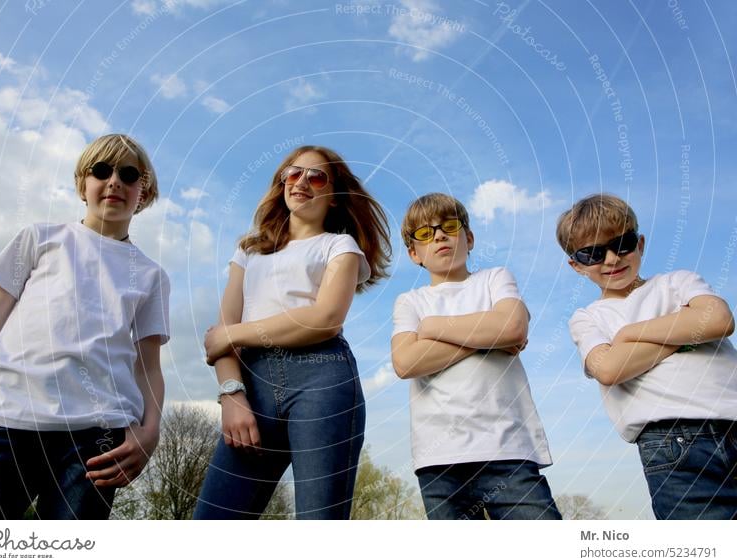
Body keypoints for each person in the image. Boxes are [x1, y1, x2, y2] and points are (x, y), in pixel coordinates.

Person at [0, 134, 170, 519]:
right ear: (83, 184)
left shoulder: (150, 276)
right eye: (101, 170)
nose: (114, 181)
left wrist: (150, 432)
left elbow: (148, 366)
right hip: (2, 423)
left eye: (130, 175)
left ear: (143, 193)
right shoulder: (39, 239)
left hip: (96, 442)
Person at [194, 145, 390, 519]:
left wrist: (234, 334)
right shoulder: (248, 251)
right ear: (281, 182)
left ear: (333, 197)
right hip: (252, 384)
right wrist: (231, 394)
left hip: (322, 378)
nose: (301, 181)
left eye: (316, 176)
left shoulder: (339, 246)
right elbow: (222, 330)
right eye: (293, 173)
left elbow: (325, 318)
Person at [559, 193, 737, 520]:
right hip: (673, 447)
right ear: (576, 265)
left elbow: (719, 321)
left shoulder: (677, 282)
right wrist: (684, 331)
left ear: (640, 244)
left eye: (622, 243)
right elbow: (610, 368)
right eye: (593, 253)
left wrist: (628, 335)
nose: (612, 259)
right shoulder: (588, 318)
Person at [391, 193, 560, 520]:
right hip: (439, 458)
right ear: (414, 254)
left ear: (469, 238)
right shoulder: (410, 302)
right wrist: (488, 338)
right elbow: (406, 362)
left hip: (509, 449)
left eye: (449, 226)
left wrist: (432, 328)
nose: (439, 235)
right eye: (425, 234)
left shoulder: (495, 278)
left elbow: (511, 327)